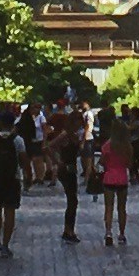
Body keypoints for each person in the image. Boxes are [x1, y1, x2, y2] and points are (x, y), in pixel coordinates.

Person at [0, 110, 23, 258]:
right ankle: (6, 245)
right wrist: (27, 175)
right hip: (13, 180)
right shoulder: (17, 140)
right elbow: (24, 159)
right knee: (10, 211)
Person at [98, 111, 132, 249]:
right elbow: (129, 163)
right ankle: (122, 233)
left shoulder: (108, 145)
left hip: (109, 177)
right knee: (122, 208)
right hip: (122, 178)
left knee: (109, 207)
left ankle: (108, 233)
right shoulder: (127, 146)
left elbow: (102, 161)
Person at [59, 103, 86, 244]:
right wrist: (59, 162)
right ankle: (68, 230)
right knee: (72, 200)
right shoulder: (66, 135)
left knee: (73, 201)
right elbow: (49, 147)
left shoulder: (75, 135)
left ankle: (69, 229)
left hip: (72, 168)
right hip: (66, 169)